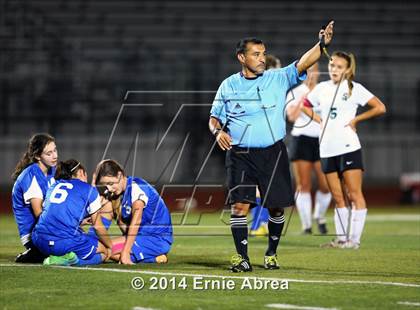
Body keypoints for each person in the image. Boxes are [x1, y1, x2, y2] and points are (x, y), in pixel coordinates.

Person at [209, 21, 334, 272]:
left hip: (272, 152)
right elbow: (214, 118)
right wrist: (218, 131)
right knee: (239, 206)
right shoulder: (228, 85)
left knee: (276, 207)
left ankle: (271, 253)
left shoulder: (278, 78)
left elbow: (303, 62)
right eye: (256, 54)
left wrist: (321, 45)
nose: (262, 58)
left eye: (263, 53)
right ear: (241, 57)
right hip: (240, 154)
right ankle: (242, 258)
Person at [302, 51, 386, 249]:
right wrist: (319, 120)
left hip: (348, 147)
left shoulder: (354, 89)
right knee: (338, 197)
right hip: (326, 149)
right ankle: (341, 239)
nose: (334, 69)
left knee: (354, 194)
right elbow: (305, 105)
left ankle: (354, 241)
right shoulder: (321, 88)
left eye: (339, 66)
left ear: (347, 69)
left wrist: (356, 120)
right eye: (332, 65)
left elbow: (380, 107)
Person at [31, 159, 113, 266]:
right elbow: (98, 227)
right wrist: (110, 246)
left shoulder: (54, 186)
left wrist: (80, 222)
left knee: (76, 238)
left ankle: (59, 257)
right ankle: (70, 261)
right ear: (80, 172)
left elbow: (53, 213)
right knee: (104, 252)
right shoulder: (89, 190)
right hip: (62, 243)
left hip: (39, 240)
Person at [94, 159, 173, 265]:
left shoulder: (137, 188)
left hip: (156, 240)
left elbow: (137, 221)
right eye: (105, 185)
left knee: (103, 249)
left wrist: (126, 252)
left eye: (110, 183)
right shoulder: (120, 193)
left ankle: (142, 255)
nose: (109, 188)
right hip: (142, 237)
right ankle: (154, 258)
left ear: (120, 175)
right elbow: (122, 224)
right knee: (102, 248)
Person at [286, 63, 332, 235]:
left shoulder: (326, 89)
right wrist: (304, 98)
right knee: (303, 184)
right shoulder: (295, 91)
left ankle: (319, 217)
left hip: (322, 139)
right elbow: (291, 116)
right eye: (309, 70)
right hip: (302, 138)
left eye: (315, 70)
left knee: (325, 184)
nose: (313, 73)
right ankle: (306, 225)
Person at [11, 133, 58, 263]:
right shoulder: (31, 176)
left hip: (46, 228)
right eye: (49, 153)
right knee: (78, 247)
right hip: (33, 235)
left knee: (85, 244)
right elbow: (39, 213)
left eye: (55, 150)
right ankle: (35, 253)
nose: (55, 156)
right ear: (37, 156)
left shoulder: (51, 170)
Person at [249, 54, 282, 237]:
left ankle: (257, 225)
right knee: (265, 184)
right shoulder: (270, 85)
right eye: (278, 67)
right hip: (264, 139)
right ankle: (259, 224)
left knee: (258, 184)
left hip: (253, 137)